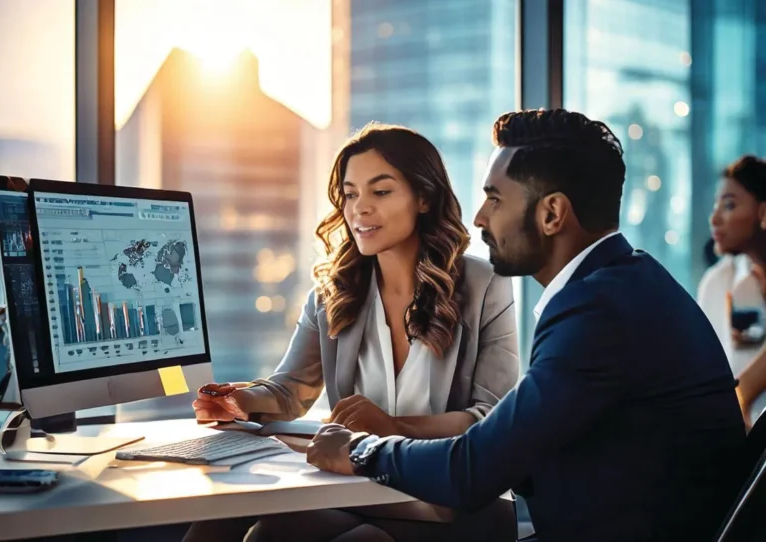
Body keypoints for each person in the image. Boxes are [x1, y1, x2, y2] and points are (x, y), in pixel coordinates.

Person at [307, 109, 747, 542]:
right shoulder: (622, 284)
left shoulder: (599, 312)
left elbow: (472, 468)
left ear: (552, 214)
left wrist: (359, 450)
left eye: (495, 198)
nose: (479, 218)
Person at [185, 122, 520, 542]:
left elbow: (492, 422)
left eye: (380, 192)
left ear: (423, 198)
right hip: (357, 490)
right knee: (244, 526)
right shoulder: (334, 291)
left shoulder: (484, 284)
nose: (360, 208)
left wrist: (392, 425)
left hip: (450, 502)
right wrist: (238, 401)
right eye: (350, 193)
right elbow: (290, 390)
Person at [699, 155, 766, 428]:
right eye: (715, 205)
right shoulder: (718, 281)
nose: (714, 218)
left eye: (729, 205)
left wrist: (744, 392)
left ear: (763, 213)